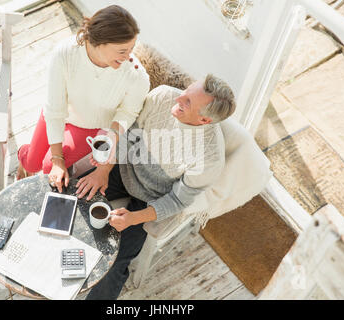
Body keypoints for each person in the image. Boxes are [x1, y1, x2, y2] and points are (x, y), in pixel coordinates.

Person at [75, 74, 236, 299]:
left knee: (114, 261)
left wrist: (132, 218)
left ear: (204, 120)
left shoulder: (209, 158)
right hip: (123, 168)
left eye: (188, 102)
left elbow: (177, 201)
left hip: (150, 200)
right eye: (186, 91)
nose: (179, 98)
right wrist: (103, 170)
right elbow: (128, 135)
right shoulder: (163, 96)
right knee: (71, 198)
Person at [16, 5, 150, 193]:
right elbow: (54, 109)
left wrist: (112, 135)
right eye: (122, 51)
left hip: (89, 127)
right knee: (32, 163)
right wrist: (57, 158)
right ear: (100, 42)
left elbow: (128, 111)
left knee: (47, 168)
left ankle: (39, 158)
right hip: (57, 114)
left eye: (131, 48)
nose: (129, 57)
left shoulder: (137, 76)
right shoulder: (64, 53)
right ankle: (25, 155)